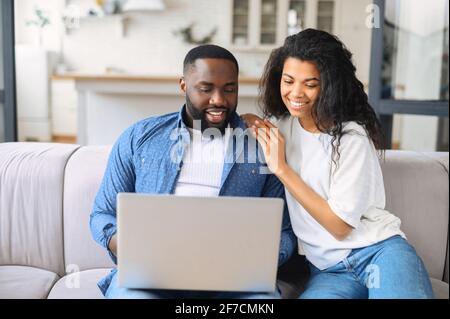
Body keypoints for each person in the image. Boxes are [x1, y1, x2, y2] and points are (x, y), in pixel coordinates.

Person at [90, 44, 297, 299]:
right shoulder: (140, 137)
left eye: (229, 89)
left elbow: (285, 232)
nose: (219, 100)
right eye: (206, 88)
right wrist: (131, 249)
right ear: (183, 86)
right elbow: (102, 214)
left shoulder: (261, 146)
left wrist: (257, 257)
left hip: (235, 283)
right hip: (150, 281)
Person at [241, 29, 434, 299]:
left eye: (310, 84)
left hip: (379, 252)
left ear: (329, 85)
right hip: (329, 271)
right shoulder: (283, 126)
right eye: (288, 81)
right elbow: (251, 122)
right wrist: (246, 119)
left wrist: (282, 169)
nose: (296, 93)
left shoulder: (350, 138)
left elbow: (340, 226)